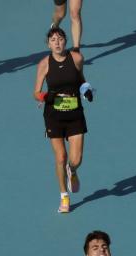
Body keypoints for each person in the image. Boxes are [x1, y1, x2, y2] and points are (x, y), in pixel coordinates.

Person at [34, 27, 93, 213]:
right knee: (60, 157)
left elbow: (81, 80)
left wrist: (87, 90)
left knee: (76, 159)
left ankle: (72, 171)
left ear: (65, 41)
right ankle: (64, 197)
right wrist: (44, 97)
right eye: (53, 40)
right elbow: (36, 92)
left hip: (75, 114)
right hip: (54, 116)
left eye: (60, 39)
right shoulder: (44, 64)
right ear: (48, 44)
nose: (57, 42)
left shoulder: (76, 59)